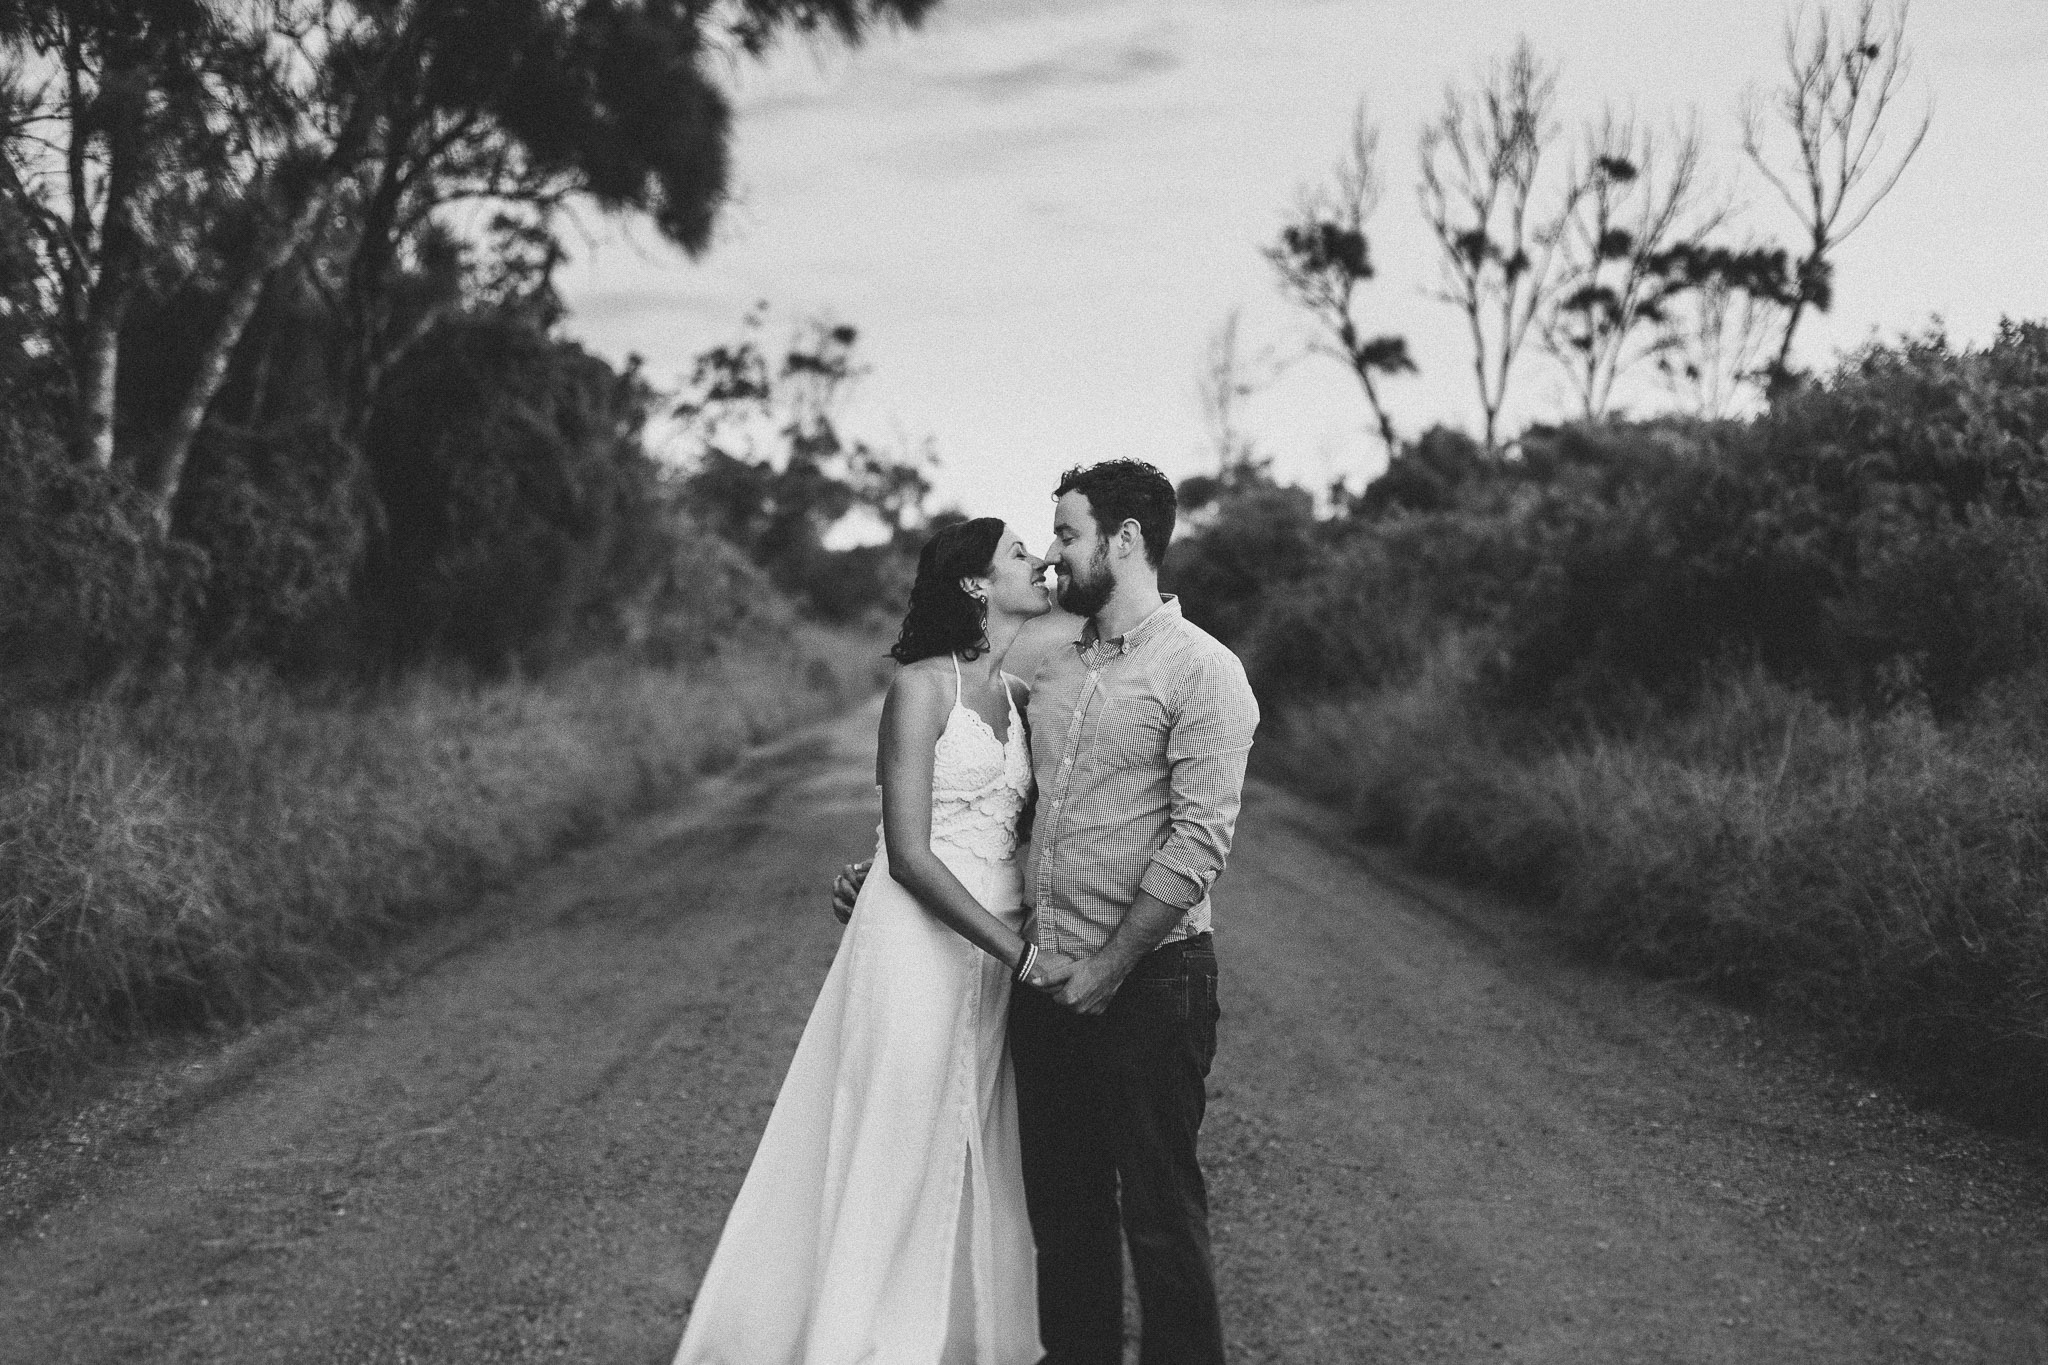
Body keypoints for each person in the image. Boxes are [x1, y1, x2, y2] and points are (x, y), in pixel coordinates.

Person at [835, 460, 1260, 1365]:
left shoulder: (1204, 671)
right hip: (1047, 981)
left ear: (1126, 539)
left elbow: (1197, 844)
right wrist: (882, 870)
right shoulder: (1050, 675)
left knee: (1160, 1218)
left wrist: (1107, 968)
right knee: (1064, 1221)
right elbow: (996, 804)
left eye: (1066, 534)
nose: (1056, 554)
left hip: (1152, 980)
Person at [673, 517, 1073, 1365]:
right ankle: (850, 1339)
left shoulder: (1018, 695)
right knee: (895, 1126)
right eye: (1017, 554)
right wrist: (1021, 950)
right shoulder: (922, 688)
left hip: (989, 944)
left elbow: (1007, 822)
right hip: (921, 942)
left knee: (965, 1127)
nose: (1038, 561)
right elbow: (917, 854)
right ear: (974, 584)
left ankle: (938, 1336)